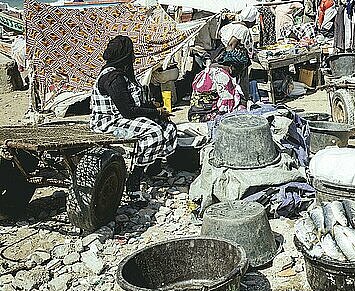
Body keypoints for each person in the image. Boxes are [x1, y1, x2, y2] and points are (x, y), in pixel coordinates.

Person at [90, 36, 177, 194]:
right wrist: (155, 112)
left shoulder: (123, 74)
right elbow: (127, 111)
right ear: (124, 56)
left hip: (124, 118)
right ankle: (134, 180)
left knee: (168, 128)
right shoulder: (113, 78)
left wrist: (156, 110)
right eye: (131, 54)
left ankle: (153, 168)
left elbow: (134, 104)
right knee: (154, 132)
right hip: (110, 123)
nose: (134, 57)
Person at [189, 51, 245, 122]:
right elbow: (226, 105)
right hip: (203, 116)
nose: (239, 73)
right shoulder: (223, 76)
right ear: (232, 66)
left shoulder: (207, 70)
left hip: (194, 114)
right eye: (239, 70)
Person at [219, 6, 258, 98]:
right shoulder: (243, 29)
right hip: (236, 61)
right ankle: (244, 99)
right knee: (241, 82)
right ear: (250, 20)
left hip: (226, 58)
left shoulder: (228, 26)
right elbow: (233, 45)